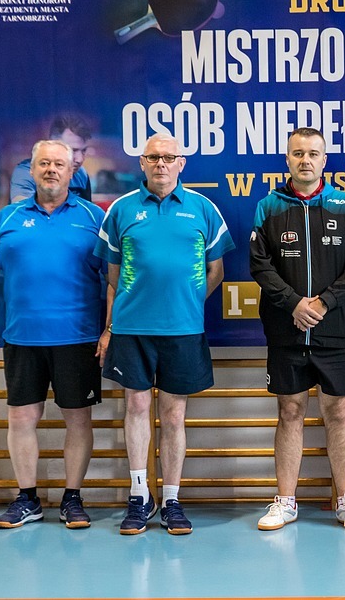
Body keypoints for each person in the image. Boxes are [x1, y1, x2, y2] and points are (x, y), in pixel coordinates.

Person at [95, 133, 234, 536]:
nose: (161, 164)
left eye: (169, 157)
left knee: (173, 415)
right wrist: (114, 322)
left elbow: (216, 271)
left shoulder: (203, 208)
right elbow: (112, 275)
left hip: (183, 329)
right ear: (142, 162)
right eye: (153, 157)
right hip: (131, 330)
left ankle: (171, 499)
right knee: (136, 407)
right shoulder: (121, 209)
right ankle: (140, 496)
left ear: (181, 163)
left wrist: (186, 301)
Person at [0, 139, 106, 529]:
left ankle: (72, 499)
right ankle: (27, 499)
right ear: (31, 171)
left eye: (59, 164)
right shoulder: (7, 218)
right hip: (22, 338)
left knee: (78, 420)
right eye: (44, 163)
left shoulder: (93, 217)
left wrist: (109, 330)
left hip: (78, 338)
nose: (51, 170)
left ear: (72, 172)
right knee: (21, 418)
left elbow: (115, 278)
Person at [250, 128, 345, 532]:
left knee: (338, 411)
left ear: (325, 160)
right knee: (289, 410)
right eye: (298, 153)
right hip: (286, 329)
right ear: (287, 159)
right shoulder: (268, 207)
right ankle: (285, 501)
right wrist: (294, 304)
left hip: (335, 330)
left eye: (313, 154)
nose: (305, 160)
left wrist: (323, 303)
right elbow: (259, 264)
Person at [11, 115, 93, 203]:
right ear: (52, 144)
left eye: (84, 150)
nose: (80, 159)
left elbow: (86, 210)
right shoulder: (25, 172)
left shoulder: (81, 174)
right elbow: (22, 209)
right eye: (72, 150)